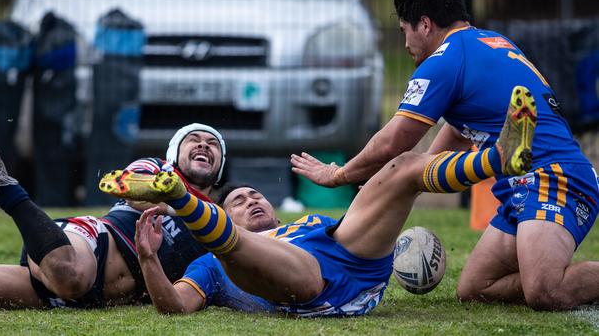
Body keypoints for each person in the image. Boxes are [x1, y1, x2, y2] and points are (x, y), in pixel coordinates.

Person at [290, 0, 599, 311]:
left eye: (404, 29)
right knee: (476, 289)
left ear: (424, 24)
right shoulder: (490, 41)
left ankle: (546, 271)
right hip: (519, 187)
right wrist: (411, 180)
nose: (405, 43)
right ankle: (540, 263)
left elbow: (393, 140)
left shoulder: (444, 60)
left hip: (554, 177)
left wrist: (339, 176)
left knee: (545, 291)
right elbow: (457, 130)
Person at [99, 93, 536, 316]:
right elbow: (173, 307)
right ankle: (176, 194)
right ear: (221, 208)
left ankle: (501, 157)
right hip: (309, 288)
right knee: (231, 246)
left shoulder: (306, 221)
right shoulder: (210, 267)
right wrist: (150, 259)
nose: (252, 199)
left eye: (257, 195)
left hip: (352, 258)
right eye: (238, 199)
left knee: (402, 168)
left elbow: (362, 219)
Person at [0, 123, 225, 309]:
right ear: (174, 153)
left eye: (213, 144)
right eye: (194, 140)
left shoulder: (218, 222)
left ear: (220, 167)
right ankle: (7, 190)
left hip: (80, 295)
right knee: (71, 274)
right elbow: (131, 188)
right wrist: (179, 207)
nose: (203, 145)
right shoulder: (158, 168)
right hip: (90, 242)